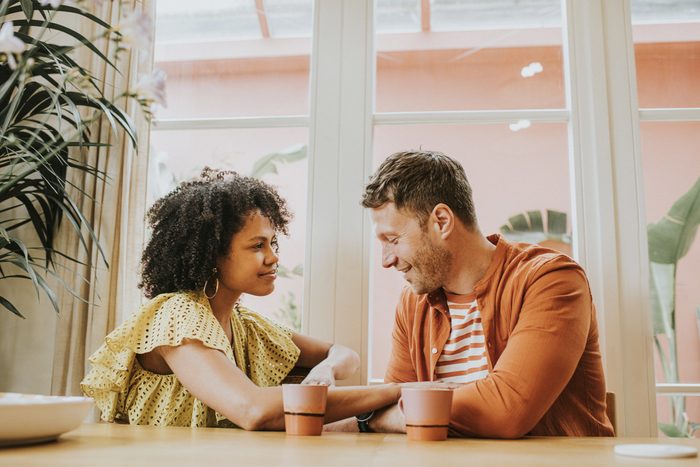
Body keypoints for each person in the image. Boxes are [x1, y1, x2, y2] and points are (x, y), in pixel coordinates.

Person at [81, 168, 399, 429]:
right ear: (213, 255)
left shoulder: (244, 325)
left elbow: (344, 354)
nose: (273, 257)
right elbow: (253, 410)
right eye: (257, 246)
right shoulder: (178, 316)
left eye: (273, 243)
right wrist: (396, 391)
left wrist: (326, 369)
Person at [350, 150, 614, 438]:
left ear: (441, 221)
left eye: (392, 239)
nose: (386, 260)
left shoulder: (551, 279)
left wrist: (372, 419)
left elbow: (506, 410)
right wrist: (386, 413)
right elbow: (390, 404)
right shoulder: (413, 302)